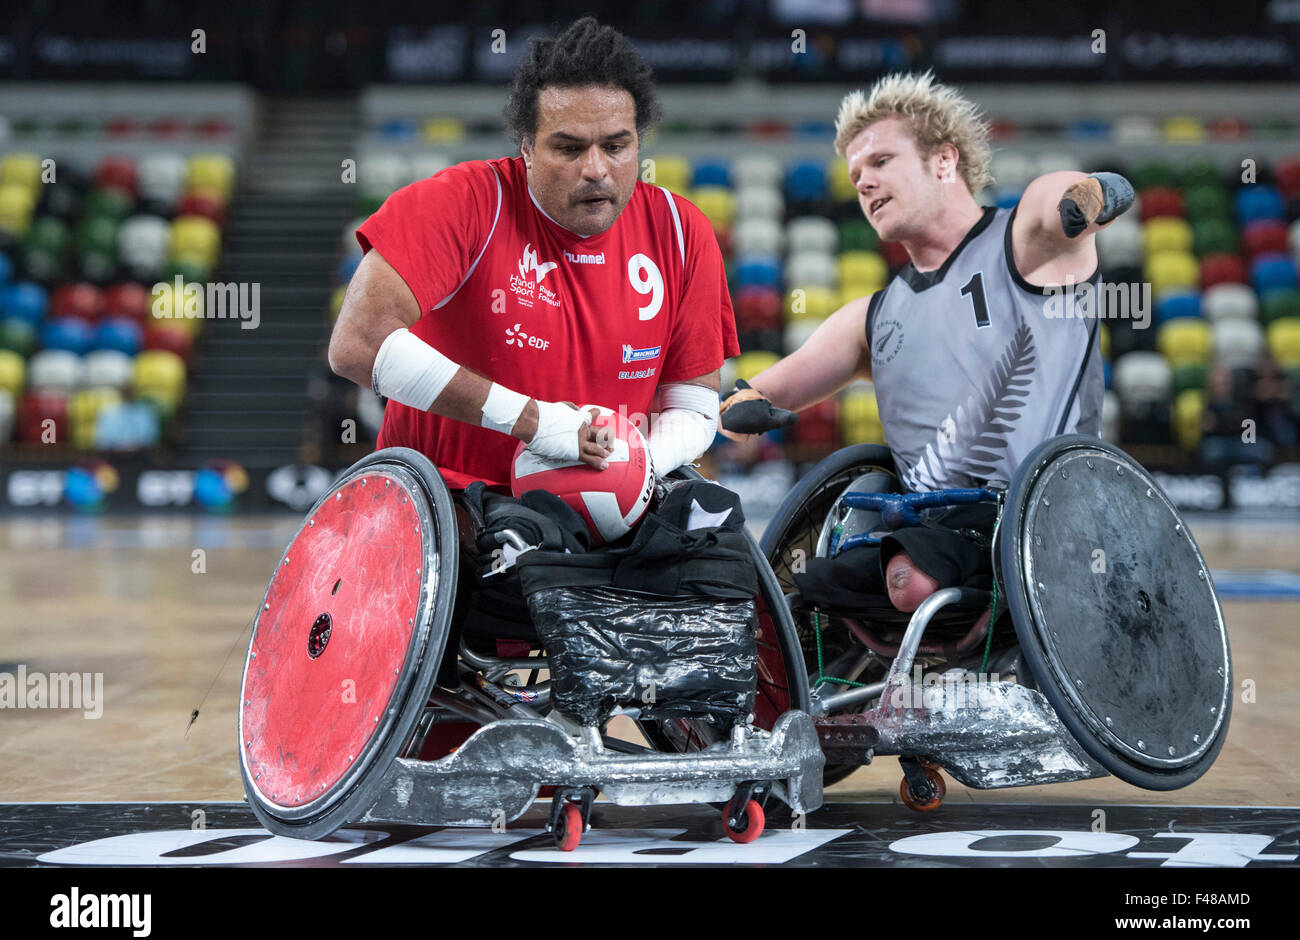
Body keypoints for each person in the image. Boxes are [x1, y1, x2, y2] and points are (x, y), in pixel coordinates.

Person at [720, 71, 1133, 614]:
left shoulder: (1026, 244)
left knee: (907, 575)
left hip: (1049, 524)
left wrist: (1088, 198)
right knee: (800, 591)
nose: (863, 182)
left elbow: (1061, 195)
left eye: (881, 162)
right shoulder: (872, 316)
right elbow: (756, 397)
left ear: (944, 161)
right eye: (855, 174)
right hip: (934, 530)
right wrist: (727, 412)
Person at [328, 16, 734, 494]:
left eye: (616, 146)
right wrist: (537, 424)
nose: (596, 169)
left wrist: (635, 468)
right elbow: (357, 345)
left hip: (613, 507)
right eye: (569, 149)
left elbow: (693, 406)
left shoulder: (682, 231)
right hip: (450, 510)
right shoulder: (461, 202)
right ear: (526, 148)